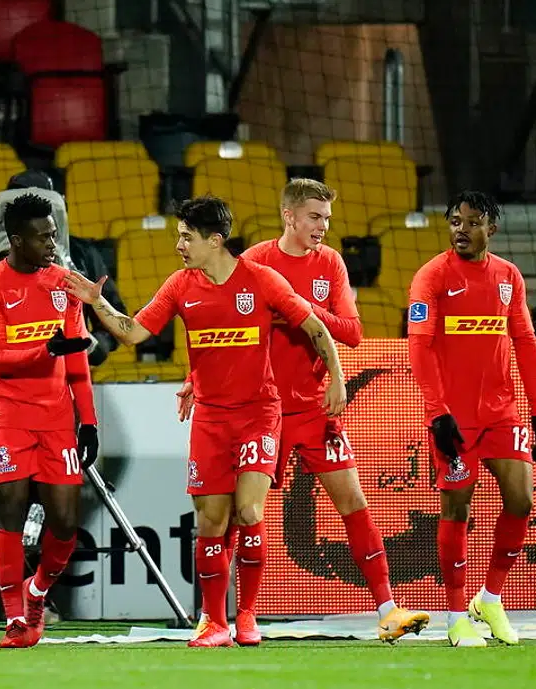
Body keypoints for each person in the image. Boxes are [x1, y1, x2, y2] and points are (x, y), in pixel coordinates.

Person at [64, 196, 348, 648]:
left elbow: (317, 328)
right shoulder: (181, 285)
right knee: (211, 523)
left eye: (186, 237)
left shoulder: (261, 280)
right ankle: (214, 622)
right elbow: (134, 332)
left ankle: (248, 616)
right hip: (211, 420)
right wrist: (96, 303)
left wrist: (336, 379)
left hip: (259, 413)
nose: (179, 244)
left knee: (250, 511)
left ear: (214, 241)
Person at [177, 178, 428, 642]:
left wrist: (299, 309)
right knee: (236, 514)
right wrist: (196, 379)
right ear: (289, 215)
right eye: (315, 217)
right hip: (260, 410)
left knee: (352, 500)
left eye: (327, 219)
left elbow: (351, 331)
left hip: (313, 409)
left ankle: (388, 608)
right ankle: (219, 617)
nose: (323, 227)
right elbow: (219, 329)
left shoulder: (329, 263)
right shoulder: (253, 262)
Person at [407, 191, 536, 648]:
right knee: (457, 508)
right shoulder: (431, 277)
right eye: (455, 222)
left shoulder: (508, 276)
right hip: (454, 417)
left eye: (472, 222)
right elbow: (420, 348)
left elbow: (525, 341)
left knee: (522, 500)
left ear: (492, 229)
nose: (461, 230)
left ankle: (489, 597)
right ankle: (455, 616)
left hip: (502, 412)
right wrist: (437, 413)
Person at [0, 194, 100, 648]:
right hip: (7, 415)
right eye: (42, 236)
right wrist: (47, 350)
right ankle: (14, 621)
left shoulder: (64, 283)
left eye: (54, 233)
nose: (52, 242)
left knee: (64, 523)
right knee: (10, 509)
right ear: (16, 239)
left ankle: (37, 590)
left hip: (57, 418)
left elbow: (78, 359)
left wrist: (89, 422)